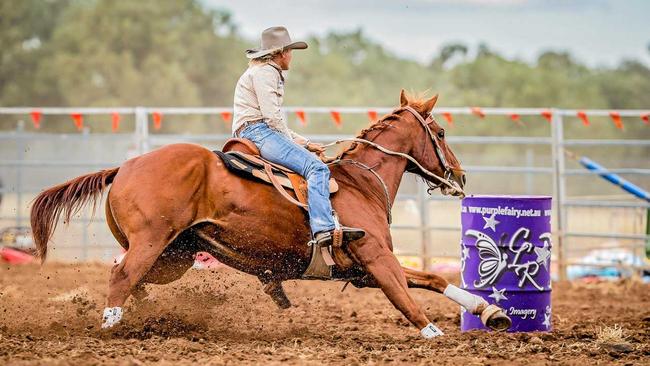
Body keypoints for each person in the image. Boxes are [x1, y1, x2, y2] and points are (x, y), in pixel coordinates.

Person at [232, 26, 365, 247]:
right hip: (258, 132)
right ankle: (323, 228)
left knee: (309, 164)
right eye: (290, 51)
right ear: (281, 53)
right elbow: (272, 119)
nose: (292, 57)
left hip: (254, 131)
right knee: (317, 169)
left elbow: (272, 121)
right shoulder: (266, 72)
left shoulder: (260, 71)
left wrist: (305, 143)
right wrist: (298, 147)